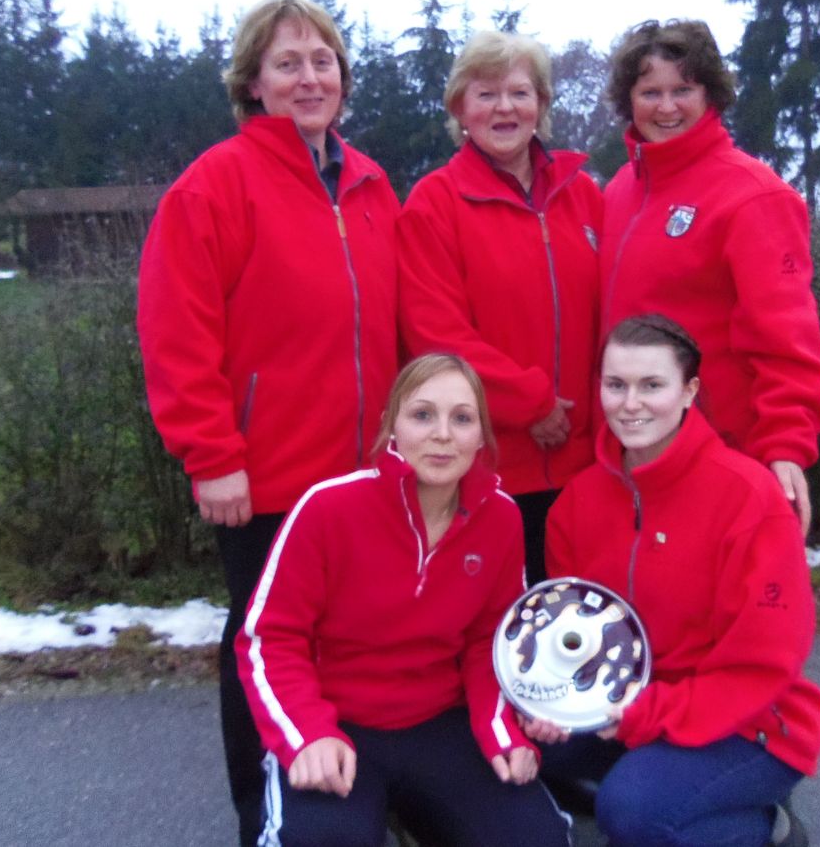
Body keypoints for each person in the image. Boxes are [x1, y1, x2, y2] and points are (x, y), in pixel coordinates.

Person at [136, 0, 399, 845]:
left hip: (366, 472)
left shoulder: (370, 184)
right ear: (253, 82)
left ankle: (349, 796)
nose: (309, 78)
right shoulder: (214, 185)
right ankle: (264, 815)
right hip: (267, 477)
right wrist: (212, 454)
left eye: (323, 62)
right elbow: (176, 332)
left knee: (356, 643)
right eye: (287, 64)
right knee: (262, 646)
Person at [238, 354, 571, 847]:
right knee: (323, 840)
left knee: (534, 839)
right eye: (422, 415)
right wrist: (307, 734)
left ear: (481, 436)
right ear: (391, 424)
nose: (443, 434)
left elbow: (492, 641)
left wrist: (502, 732)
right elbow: (269, 639)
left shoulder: (500, 517)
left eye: (462, 418)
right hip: (338, 721)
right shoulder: (328, 508)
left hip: (441, 721)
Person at [529, 315, 820, 847]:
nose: (630, 404)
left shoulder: (749, 497)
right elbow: (573, 630)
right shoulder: (577, 503)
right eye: (615, 385)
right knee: (523, 742)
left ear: (689, 391)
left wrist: (648, 714)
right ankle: (671, 791)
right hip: (632, 705)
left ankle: (764, 828)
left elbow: (763, 664)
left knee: (631, 810)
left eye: (652, 385)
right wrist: (551, 704)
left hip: (749, 723)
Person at [599, 20, 820, 536]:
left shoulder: (753, 196)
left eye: (683, 89)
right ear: (629, 100)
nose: (667, 107)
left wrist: (785, 446)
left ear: (710, 95)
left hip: (720, 453)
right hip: (632, 452)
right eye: (650, 92)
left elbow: (788, 338)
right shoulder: (619, 191)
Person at [397, 30, 602, 585]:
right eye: (486, 94)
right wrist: (532, 403)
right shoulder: (434, 204)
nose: (504, 108)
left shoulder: (584, 196)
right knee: (492, 620)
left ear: (542, 103)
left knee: (571, 615)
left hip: (587, 466)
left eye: (519, 93)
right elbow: (434, 334)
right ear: (460, 108)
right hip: (487, 465)